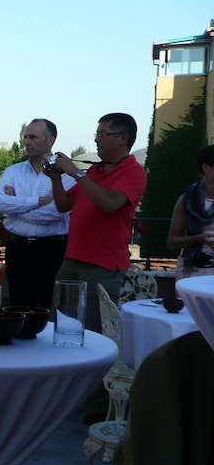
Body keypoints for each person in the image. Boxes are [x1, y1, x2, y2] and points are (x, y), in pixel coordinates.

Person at [46, 113, 147, 333]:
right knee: (60, 322)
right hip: (73, 257)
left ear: (123, 138)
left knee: (94, 328)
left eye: (103, 134)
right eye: (97, 134)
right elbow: (64, 205)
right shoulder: (95, 170)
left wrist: (76, 173)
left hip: (103, 263)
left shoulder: (134, 172)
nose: (97, 139)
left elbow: (110, 204)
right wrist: (55, 178)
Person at [0, 118, 75, 309]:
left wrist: (16, 205)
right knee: (19, 307)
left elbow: (56, 212)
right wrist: (38, 201)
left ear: (50, 140)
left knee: (50, 306)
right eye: (25, 137)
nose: (27, 142)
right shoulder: (13, 171)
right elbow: (0, 204)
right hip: (18, 249)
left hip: (52, 250)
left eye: (33, 137)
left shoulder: (65, 174)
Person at [166, 145, 214, 280]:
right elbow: (172, 242)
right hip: (191, 271)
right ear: (206, 168)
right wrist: (199, 238)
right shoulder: (187, 199)